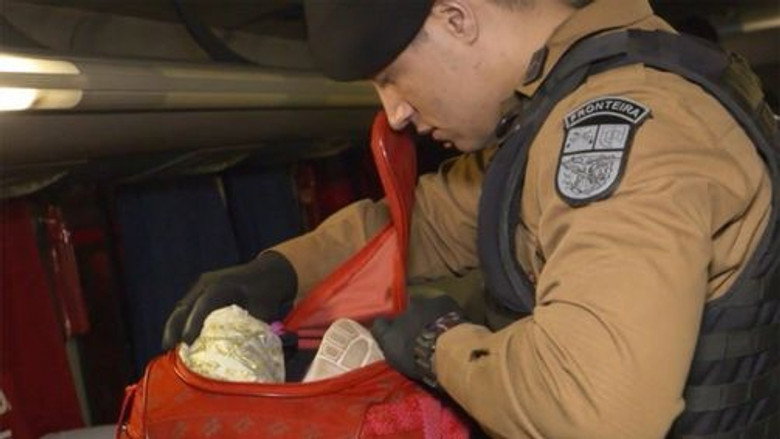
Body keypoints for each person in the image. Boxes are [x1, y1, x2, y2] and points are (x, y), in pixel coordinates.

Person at [163, 0, 779, 437]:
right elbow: (430, 221)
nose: (395, 113)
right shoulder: (560, 108)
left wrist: (437, 345)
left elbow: (595, 409)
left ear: (456, 18)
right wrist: (283, 270)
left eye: (391, 78)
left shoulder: (626, 129)